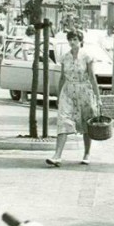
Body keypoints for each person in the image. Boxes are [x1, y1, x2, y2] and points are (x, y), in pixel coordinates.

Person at [46, 30, 102, 167]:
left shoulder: (87, 56)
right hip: (68, 92)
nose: (72, 42)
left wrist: (97, 97)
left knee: (86, 122)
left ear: (80, 40)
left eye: (75, 39)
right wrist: (59, 96)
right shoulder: (65, 57)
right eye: (70, 39)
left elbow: (92, 77)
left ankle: (87, 153)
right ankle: (57, 155)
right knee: (63, 120)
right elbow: (62, 78)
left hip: (84, 91)